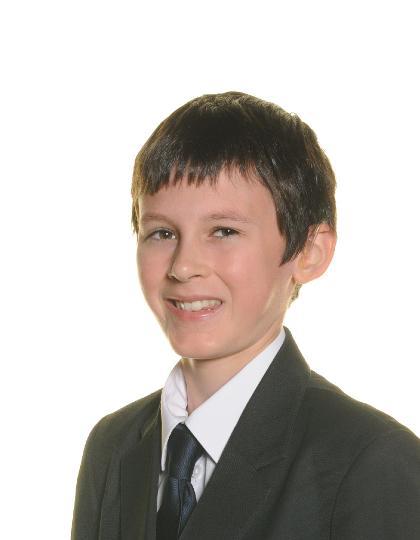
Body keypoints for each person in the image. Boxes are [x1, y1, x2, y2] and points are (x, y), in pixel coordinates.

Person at [71, 91, 420, 540]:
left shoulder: (371, 462)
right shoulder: (112, 446)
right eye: (161, 233)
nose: (183, 266)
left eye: (223, 231)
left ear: (309, 252)